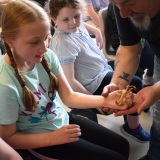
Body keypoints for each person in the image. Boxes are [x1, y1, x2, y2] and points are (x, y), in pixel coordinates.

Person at [0, 0, 130, 160]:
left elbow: (69, 96)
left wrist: (105, 101)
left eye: (47, 37)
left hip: (61, 120)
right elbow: (8, 138)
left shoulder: (47, 56)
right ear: (9, 40)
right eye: (34, 42)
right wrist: (53, 138)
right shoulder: (4, 84)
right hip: (42, 140)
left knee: (123, 146)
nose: (44, 47)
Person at [48, 0, 150, 143]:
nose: (73, 22)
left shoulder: (75, 26)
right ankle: (133, 127)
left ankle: (133, 114)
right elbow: (70, 82)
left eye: (77, 16)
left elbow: (83, 26)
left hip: (101, 70)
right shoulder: (63, 43)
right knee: (135, 82)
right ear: (53, 18)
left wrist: (97, 32)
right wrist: (96, 102)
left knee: (134, 73)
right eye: (66, 19)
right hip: (91, 85)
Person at [101, 1, 160, 160]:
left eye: (130, 3)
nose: (123, 14)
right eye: (116, 4)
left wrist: (156, 90)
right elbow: (129, 48)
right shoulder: (122, 6)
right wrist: (117, 83)